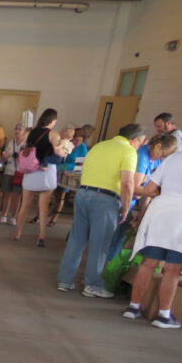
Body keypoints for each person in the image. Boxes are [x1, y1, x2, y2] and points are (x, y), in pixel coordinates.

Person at [56, 123, 146, 297]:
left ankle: (64, 281)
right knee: (99, 245)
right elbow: (128, 183)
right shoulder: (128, 151)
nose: (139, 147)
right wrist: (126, 207)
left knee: (76, 241)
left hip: (83, 194)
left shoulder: (99, 146)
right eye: (140, 143)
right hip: (105, 200)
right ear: (134, 140)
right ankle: (93, 285)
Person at [122, 148, 182, 328]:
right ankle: (163, 316)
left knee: (148, 263)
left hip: (160, 212)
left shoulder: (174, 158)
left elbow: (149, 189)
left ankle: (133, 308)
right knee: (172, 270)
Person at [105, 133, 178, 263]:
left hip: (131, 201)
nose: (163, 159)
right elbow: (135, 187)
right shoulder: (142, 157)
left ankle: (108, 263)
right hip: (120, 199)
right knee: (114, 236)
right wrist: (154, 193)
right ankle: (105, 264)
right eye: (163, 155)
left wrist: (143, 211)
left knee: (120, 236)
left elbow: (149, 186)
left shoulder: (155, 159)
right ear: (158, 146)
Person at [13, 108, 62, 247]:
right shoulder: (53, 134)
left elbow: (24, 148)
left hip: (30, 170)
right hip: (45, 171)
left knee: (25, 205)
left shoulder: (30, 133)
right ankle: (41, 235)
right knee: (43, 206)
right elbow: (58, 153)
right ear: (53, 120)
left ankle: (18, 233)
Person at [46, 129, 89, 226]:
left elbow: (81, 166)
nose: (76, 142)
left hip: (68, 175)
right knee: (53, 195)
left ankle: (54, 219)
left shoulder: (82, 148)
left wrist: (69, 169)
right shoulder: (67, 144)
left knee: (61, 196)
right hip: (57, 172)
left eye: (79, 141)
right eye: (75, 140)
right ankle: (45, 214)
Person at [0, 123, 26, 224]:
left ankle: (14, 217)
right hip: (9, 170)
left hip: (19, 172)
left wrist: (17, 157)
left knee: (16, 196)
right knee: (6, 194)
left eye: (20, 129)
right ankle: (3, 216)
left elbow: (27, 160)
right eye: (16, 129)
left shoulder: (26, 145)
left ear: (24, 132)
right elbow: (3, 159)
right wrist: (4, 156)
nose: (17, 131)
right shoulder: (10, 142)